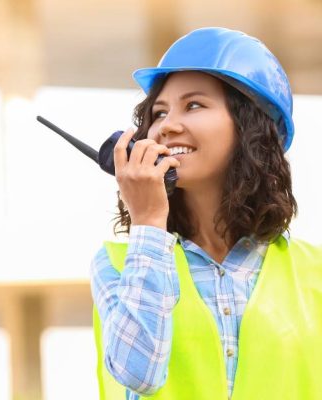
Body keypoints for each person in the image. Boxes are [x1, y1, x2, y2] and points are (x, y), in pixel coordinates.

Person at [90, 27, 322, 400]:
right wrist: (149, 222)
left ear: (251, 128)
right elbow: (139, 374)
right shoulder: (115, 266)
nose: (167, 125)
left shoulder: (316, 274)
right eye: (159, 112)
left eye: (194, 105)